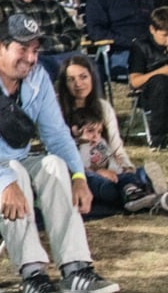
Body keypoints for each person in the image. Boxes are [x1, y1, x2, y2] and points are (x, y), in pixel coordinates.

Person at [0, 13, 120, 293]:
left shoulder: (36, 78)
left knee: (53, 164)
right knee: (13, 172)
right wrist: (3, 182)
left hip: (14, 163)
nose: (30, 58)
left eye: (35, 50)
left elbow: (58, 135)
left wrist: (78, 177)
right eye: (22, 49)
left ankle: (76, 269)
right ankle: (32, 274)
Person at [57, 54, 162, 216]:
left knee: (147, 170)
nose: (78, 84)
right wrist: (97, 172)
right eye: (71, 79)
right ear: (64, 83)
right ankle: (138, 196)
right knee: (103, 185)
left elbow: (115, 145)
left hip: (113, 169)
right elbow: (60, 157)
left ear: (92, 78)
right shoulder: (57, 110)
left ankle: (155, 196)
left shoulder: (103, 107)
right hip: (80, 173)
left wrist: (126, 167)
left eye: (83, 77)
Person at [127, 7, 168, 150]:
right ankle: (159, 139)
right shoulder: (141, 46)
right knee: (160, 82)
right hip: (152, 92)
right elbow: (134, 81)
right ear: (152, 29)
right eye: (165, 35)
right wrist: (161, 71)